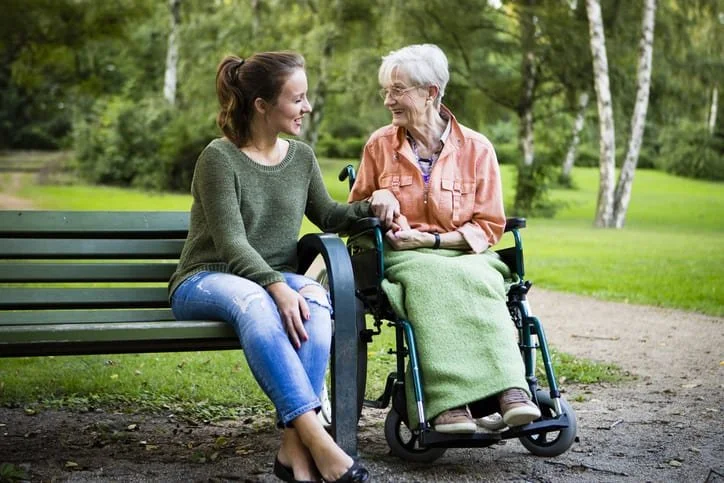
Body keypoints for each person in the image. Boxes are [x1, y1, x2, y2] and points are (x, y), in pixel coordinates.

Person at [169, 52, 370, 483]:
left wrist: (373, 206)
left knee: (316, 299)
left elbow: (330, 215)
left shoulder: (301, 157)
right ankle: (317, 439)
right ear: (261, 104)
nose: (307, 107)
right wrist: (277, 286)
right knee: (258, 301)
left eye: (306, 97)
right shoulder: (218, 159)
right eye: (297, 99)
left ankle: (293, 454)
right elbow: (231, 243)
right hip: (206, 278)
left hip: (267, 281)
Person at [349, 44, 541, 434]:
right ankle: (448, 403)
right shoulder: (379, 146)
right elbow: (351, 217)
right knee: (429, 281)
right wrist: (376, 199)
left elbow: (488, 225)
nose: (388, 100)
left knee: (483, 279)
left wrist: (434, 243)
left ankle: (510, 391)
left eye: (398, 90)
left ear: (431, 92)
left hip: (462, 251)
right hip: (402, 256)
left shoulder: (477, 148)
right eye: (387, 90)